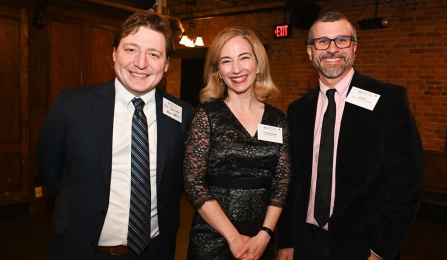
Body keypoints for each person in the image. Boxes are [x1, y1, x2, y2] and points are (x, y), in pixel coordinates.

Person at [37, 12, 194, 259]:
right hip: (83, 250)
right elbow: (50, 170)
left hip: (155, 251)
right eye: (131, 49)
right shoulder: (71, 106)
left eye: (153, 54)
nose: (141, 63)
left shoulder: (184, 115)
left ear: (166, 64)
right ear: (114, 53)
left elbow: (182, 181)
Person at [276, 11, 424, 260]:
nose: (332, 49)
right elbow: (293, 182)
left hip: (363, 248)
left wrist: (381, 250)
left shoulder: (388, 101)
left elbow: (407, 182)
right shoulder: (298, 110)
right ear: (310, 51)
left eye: (341, 40)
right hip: (306, 245)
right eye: (322, 41)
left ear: (354, 48)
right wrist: (287, 241)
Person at [183, 27, 291, 260]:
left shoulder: (278, 119)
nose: (236, 69)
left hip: (260, 240)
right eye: (226, 61)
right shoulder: (207, 115)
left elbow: (281, 184)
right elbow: (193, 183)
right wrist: (233, 237)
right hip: (212, 239)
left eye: (244, 57)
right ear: (218, 72)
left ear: (258, 64)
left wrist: (264, 235)